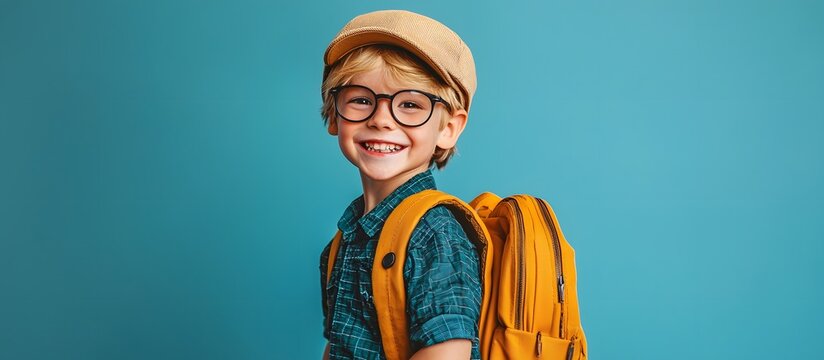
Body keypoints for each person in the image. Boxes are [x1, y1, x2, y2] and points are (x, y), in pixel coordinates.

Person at [318, 10, 482, 360]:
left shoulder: (435, 234)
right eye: (361, 99)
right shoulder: (347, 237)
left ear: (448, 128)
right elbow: (342, 343)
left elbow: (448, 352)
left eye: (410, 104)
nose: (381, 120)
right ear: (335, 114)